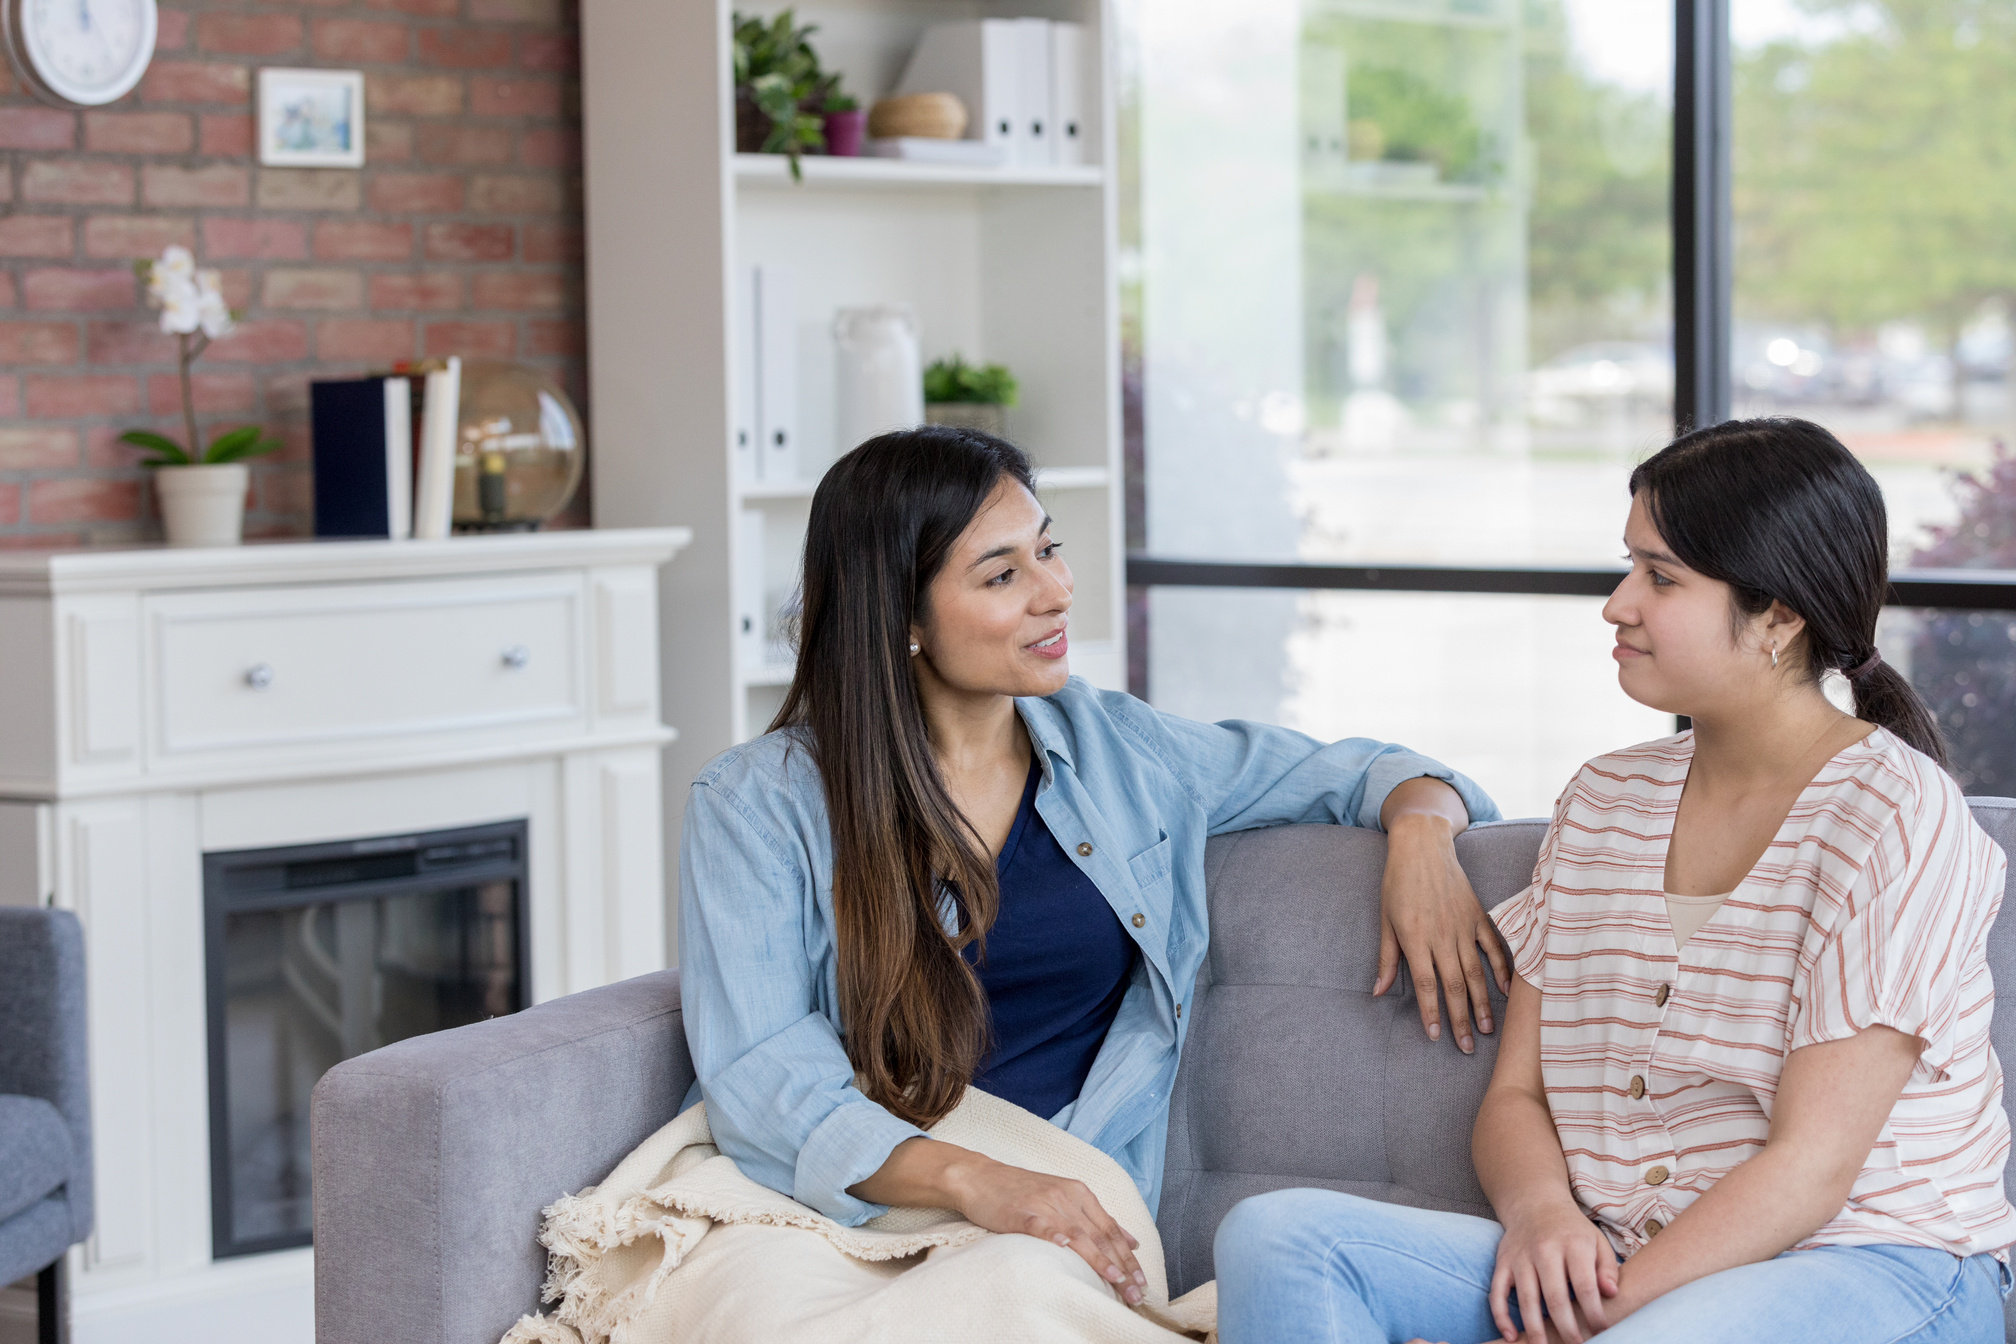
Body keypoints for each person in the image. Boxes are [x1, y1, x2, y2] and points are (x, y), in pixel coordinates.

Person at [1213, 417, 2016, 1343]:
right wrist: (1542, 1215)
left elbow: (1810, 1172)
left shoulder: (1896, 816)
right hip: (1617, 1255)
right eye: (1629, 565)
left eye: (1661, 577)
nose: (1617, 603)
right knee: (1280, 1237)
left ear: (1780, 617)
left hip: (1871, 1264)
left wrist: (1605, 1317)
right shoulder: (1604, 799)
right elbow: (1517, 1097)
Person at [679, 425, 1504, 1303]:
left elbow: (1368, 772)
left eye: (1048, 551)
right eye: (1003, 575)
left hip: (1062, 1210)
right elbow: (762, 1069)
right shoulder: (755, 804)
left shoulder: (1120, 750)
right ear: (902, 619)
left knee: (1020, 1301)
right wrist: (978, 1182)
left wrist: (1420, 837)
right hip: (845, 1203)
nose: (1057, 593)